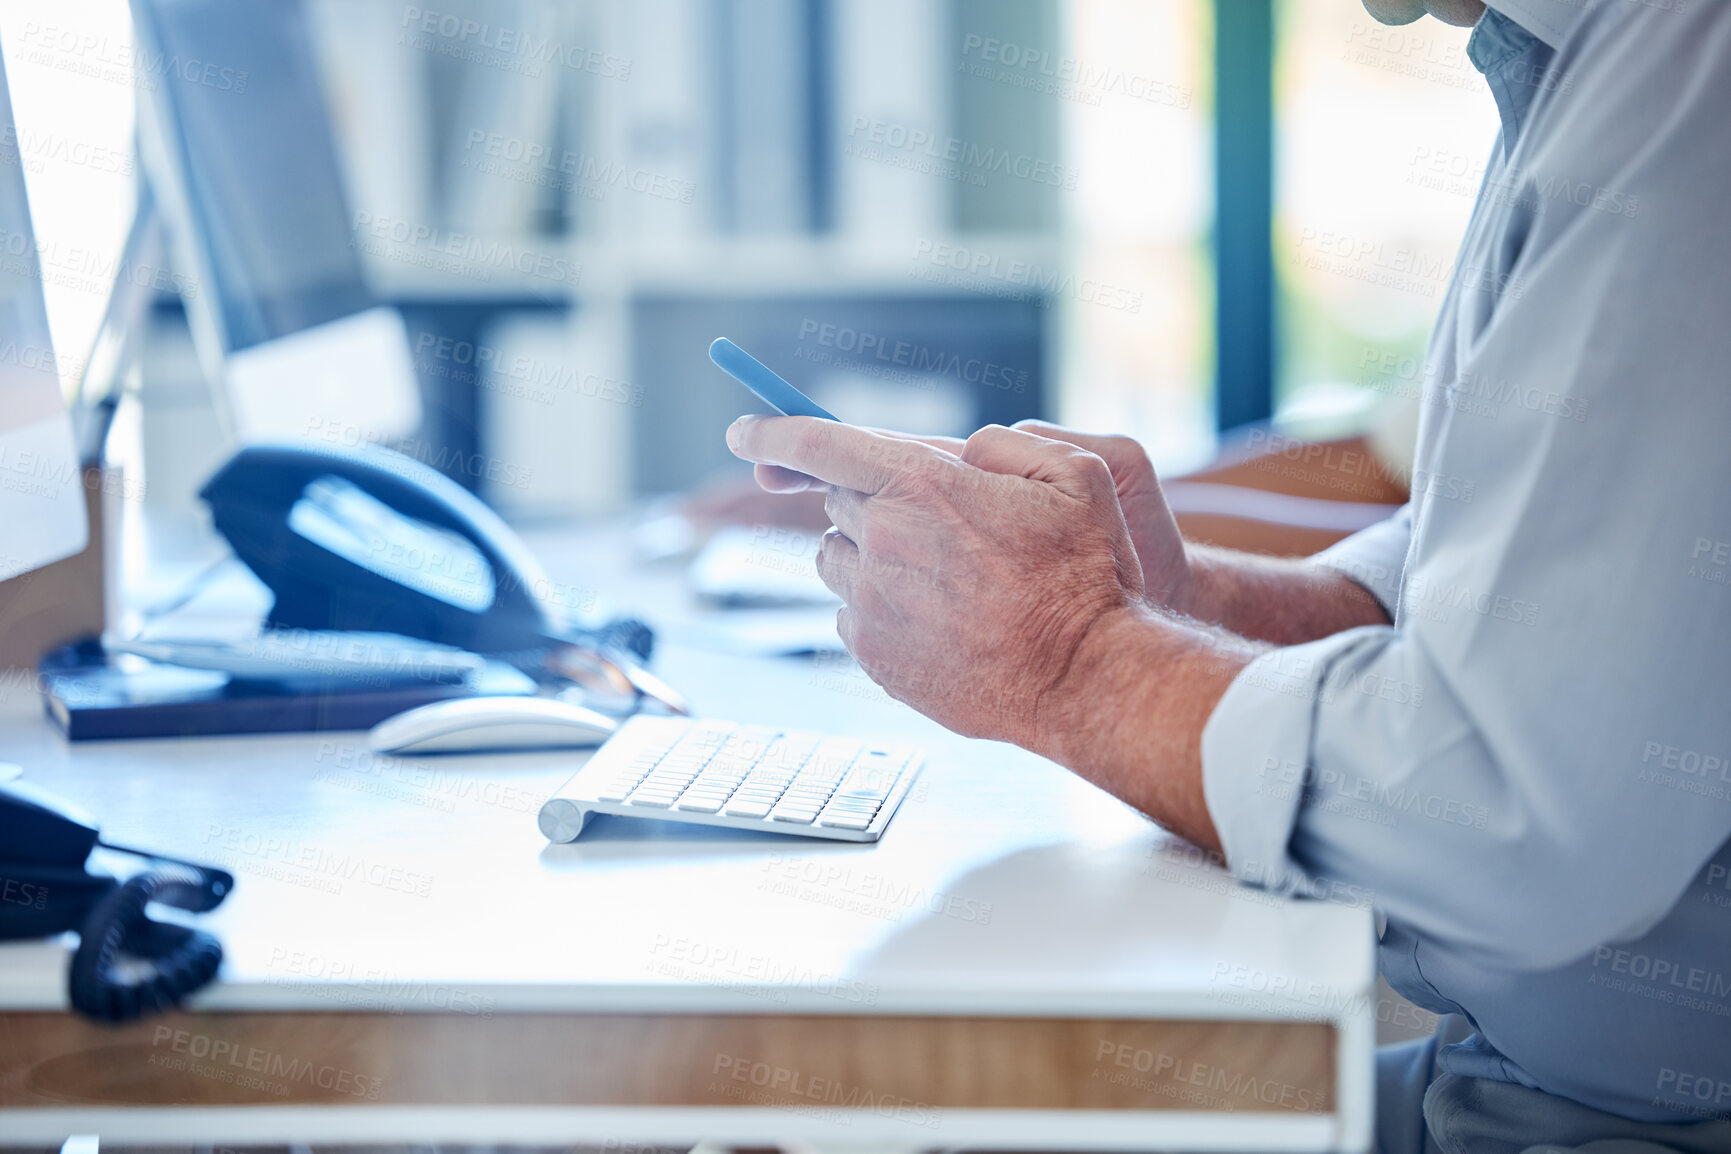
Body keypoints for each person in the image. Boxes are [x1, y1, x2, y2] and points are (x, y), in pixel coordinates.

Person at [725, 0, 1731, 1150]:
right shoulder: (1580, 63)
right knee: (858, 1100)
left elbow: (1517, 824)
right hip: (1514, 1090)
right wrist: (1182, 604)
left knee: (836, 1107)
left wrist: (1066, 652)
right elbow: (1538, 584)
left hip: (1628, 1120)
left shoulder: (1689, 67)